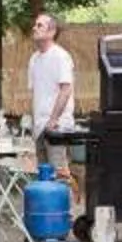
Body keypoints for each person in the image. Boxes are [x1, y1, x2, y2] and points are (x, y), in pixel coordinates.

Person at [24, 11, 78, 206]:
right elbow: (35, 93)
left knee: (60, 174)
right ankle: (49, 221)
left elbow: (66, 89)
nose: (34, 28)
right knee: (44, 177)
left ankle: (67, 217)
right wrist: (34, 123)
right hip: (39, 126)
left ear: (52, 31)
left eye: (40, 26)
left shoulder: (61, 57)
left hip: (57, 126)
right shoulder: (34, 59)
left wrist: (54, 120)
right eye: (35, 25)